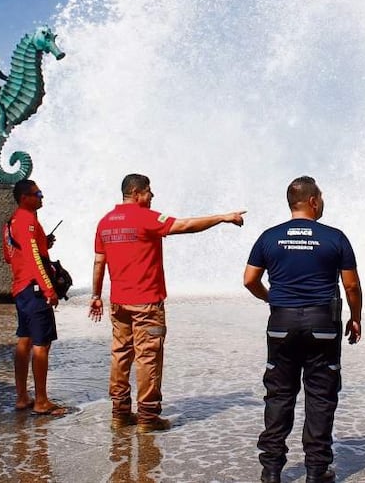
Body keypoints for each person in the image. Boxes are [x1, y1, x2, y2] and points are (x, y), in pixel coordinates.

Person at [87, 173, 246, 432]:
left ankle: (119, 413)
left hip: (118, 303)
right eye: (149, 191)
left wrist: (96, 296)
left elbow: (98, 262)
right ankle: (148, 418)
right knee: (148, 357)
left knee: (120, 354)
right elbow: (184, 226)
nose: (152, 196)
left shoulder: (105, 222)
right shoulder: (146, 217)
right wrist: (222, 217)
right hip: (146, 303)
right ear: (137, 193)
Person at [243, 176, 363, 483]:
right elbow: (350, 285)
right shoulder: (335, 237)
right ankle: (317, 471)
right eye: (321, 198)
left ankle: (271, 471)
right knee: (320, 396)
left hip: (281, 324)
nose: (323, 202)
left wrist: (273, 298)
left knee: (279, 395)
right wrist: (356, 317)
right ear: (312, 201)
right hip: (323, 324)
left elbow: (249, 280)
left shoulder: (270, 237)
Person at [2, 178, 66, 416]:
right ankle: (41, 401)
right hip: (34, 288)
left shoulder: (10, 223)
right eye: (37, 194)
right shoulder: (28, 221)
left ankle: (22, 397)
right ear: (25, 198)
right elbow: (33, 259)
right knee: (42, 344)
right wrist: (49, 289)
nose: (41, 197)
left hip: (20, 288)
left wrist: (43, 243)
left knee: (25, 340)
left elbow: (11, 256)